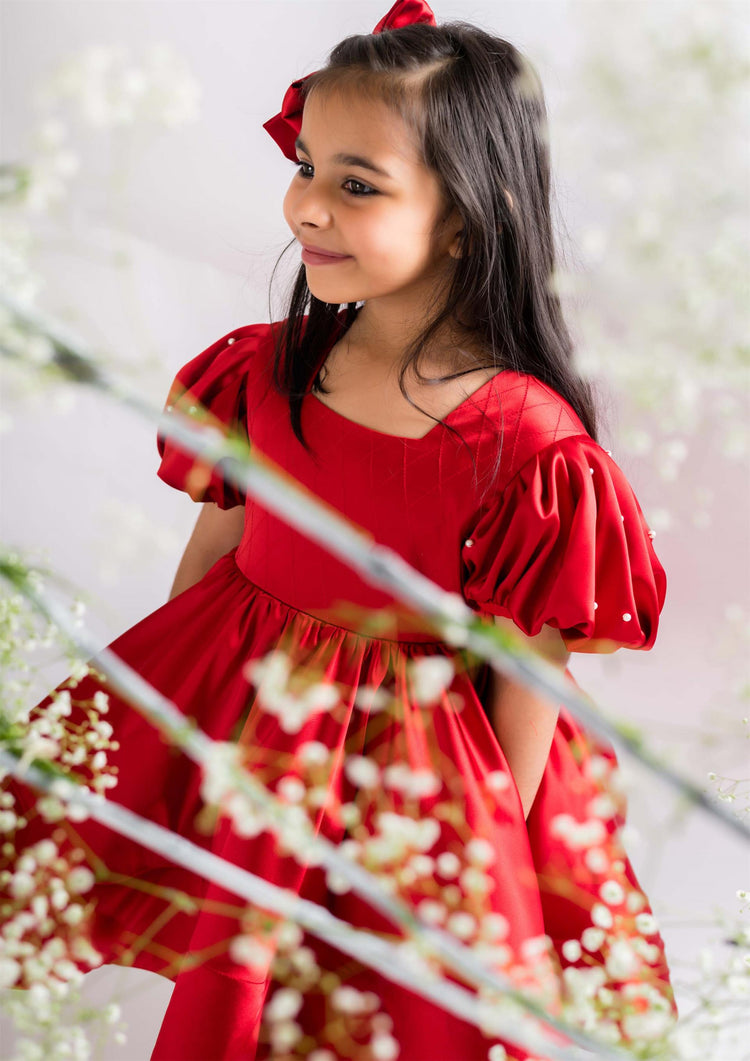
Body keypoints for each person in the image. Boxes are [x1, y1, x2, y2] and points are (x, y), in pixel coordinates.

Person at [4, 2, 676, 1058]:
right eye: (307, 165)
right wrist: (172, 744)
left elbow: (527, 680)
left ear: (464, 215)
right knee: (246, 981)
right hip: (258, 731)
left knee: (396, 1013)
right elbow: (214, 560)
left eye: (356, 185)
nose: (306, 207)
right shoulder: (268, 371)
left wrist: (470, 863)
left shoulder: (525, 443)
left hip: (419, 775)